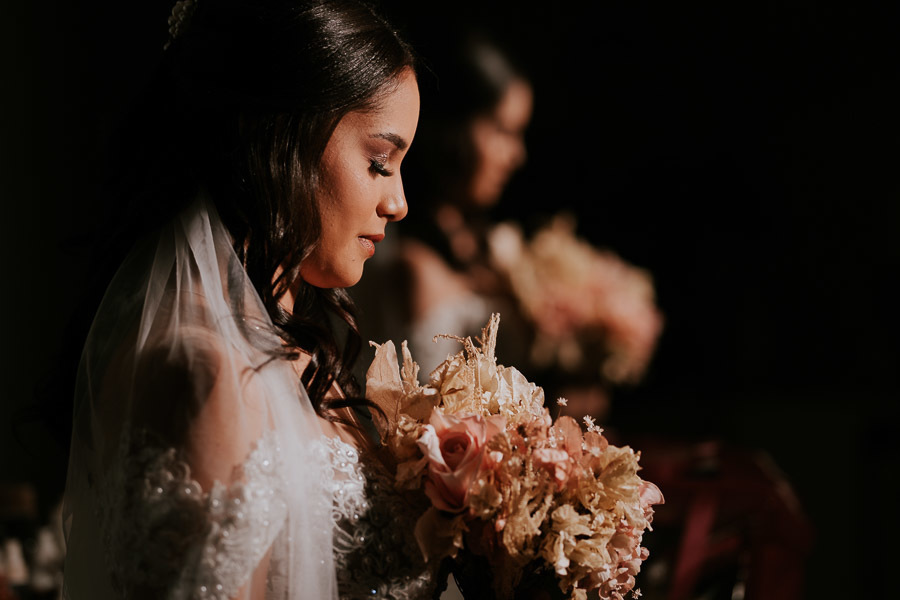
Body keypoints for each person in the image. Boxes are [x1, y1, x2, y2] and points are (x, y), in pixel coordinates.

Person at [59, 1, 433, 598]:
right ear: (289, 134)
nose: (399, 202)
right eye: (379, 162)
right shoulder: (208, 375)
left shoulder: (306, 361)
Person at [353, 30, 534, 376]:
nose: (517, 155)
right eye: (502, 131)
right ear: (455, 130)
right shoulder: (398, 253)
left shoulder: (486, 245)